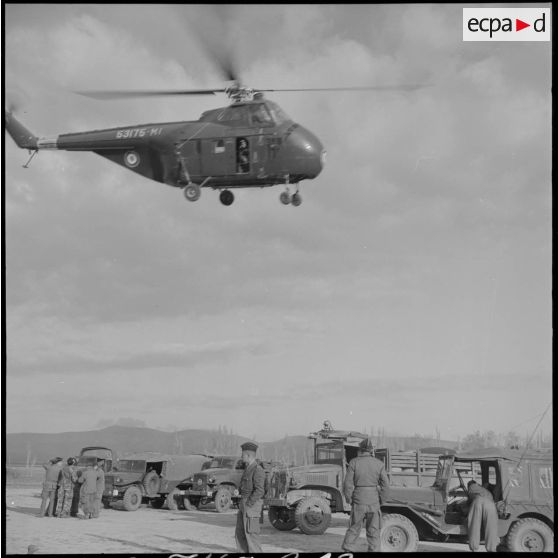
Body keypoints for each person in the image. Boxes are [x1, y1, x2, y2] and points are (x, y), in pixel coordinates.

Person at [342, 438, 389, 552]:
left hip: (358, 501)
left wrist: (349, 499)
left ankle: (348, 551)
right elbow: (386, 485)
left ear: (360, 450)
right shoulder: (379, 464)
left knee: (354, 529)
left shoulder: (354, 462)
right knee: (374, 531)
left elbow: (347, 484)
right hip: (374, 502)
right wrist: (381, 501)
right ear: (371, 450)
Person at [235, 441, 266, 553]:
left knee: (251, 534)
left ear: (248, 456)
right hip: (244, 503)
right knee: (240, 533)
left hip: (250, 505)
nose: (241, 457)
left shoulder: (258, 470)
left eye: (242, 455)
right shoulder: (247, 468)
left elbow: (260, 491)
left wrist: (248, 504)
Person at [466, 480, 499, 552]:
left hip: (478, 502)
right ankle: (491, 549)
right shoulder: (484, 489)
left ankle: (474, 548)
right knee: (491, 527)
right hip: (490, 504)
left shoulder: (471, 487)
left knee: (474, 525)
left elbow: (468, 503)